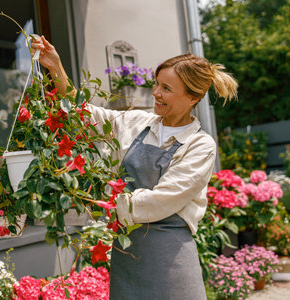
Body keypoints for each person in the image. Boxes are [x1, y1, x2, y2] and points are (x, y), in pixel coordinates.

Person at [31, 36, 238, 299]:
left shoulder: (200, 145)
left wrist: (101, 201)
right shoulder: (138, 122)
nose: (156, 93)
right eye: (156, 84)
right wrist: (55, 67)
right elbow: (83, 114)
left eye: (166, 88)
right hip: (127, 252)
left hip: (169, 258)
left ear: (192, 97)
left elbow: (161, 200)